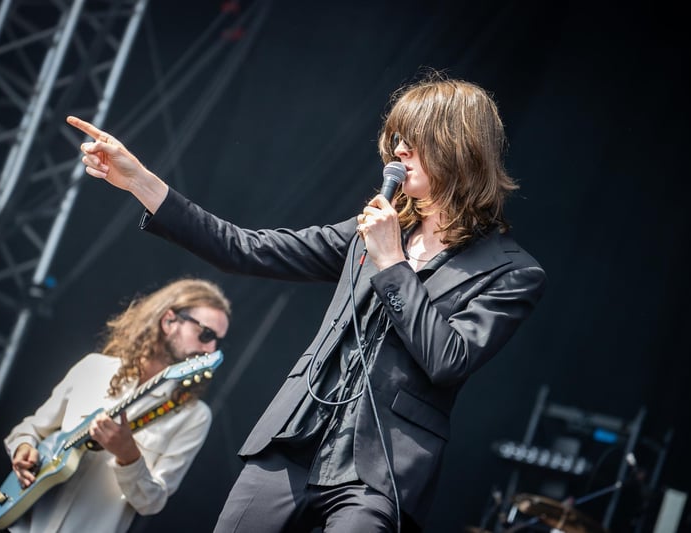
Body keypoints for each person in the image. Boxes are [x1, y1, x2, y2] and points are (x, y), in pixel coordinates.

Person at [66, 70, 546, 532]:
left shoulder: (510, 271)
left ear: (458, 147)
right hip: (294, 436)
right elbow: (246, 248)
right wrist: (141, 183)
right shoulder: (372, 232)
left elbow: (448, 360)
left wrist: (393, 263)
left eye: (414, 140)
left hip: (380, 471)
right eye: (397, 138)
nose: (399, 150)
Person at [0, 278, 231, 533]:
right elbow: (32, 428)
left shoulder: (194, 416)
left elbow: (152, 502)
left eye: (218, 341)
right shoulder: (93, 367)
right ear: (169, 321)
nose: (211, 349)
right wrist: (23, 448)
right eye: (206, 334)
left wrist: (129, 456)